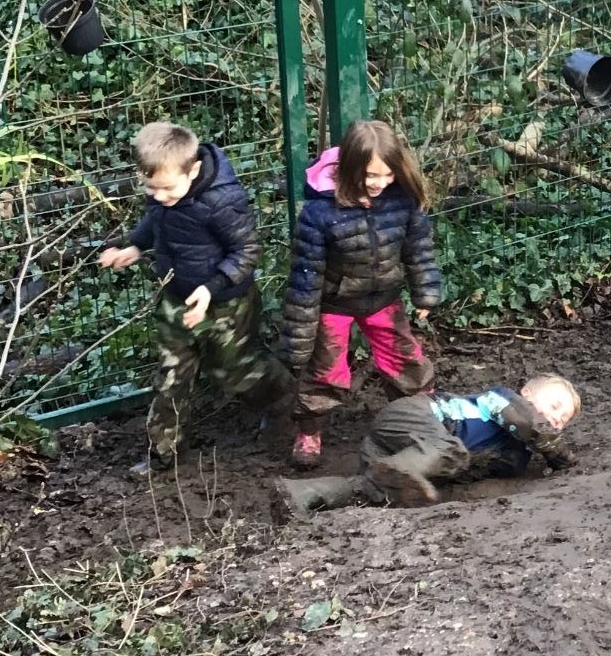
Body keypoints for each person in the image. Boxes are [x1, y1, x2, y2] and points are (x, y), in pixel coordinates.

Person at [99, 122, 289, 475]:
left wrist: (210, 288)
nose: (158, 196)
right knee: (172, 375)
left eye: (167, 189)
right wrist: (135, 247)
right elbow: (156, 221)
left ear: (194, 169)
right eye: (150, 187)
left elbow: (247, 251)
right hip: (176, 297)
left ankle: (281, 400)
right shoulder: (162, 192)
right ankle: (163, 452)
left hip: (226, 302)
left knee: (232, 370)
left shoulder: (222, 201)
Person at [279, 118, 443, 469]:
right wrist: (299, 337)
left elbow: (419, 248)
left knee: (405, 360)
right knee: (325, 369)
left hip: (383, 297)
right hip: (334, 303)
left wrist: (425, 292)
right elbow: (306, 276)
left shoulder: (402, 200)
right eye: (371, 176)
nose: (380, 184)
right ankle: (309, 433)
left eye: (387, 175)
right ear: (351, 167)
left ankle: (421, 418)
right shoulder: (320, 212)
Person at [269, 372, 581, 520]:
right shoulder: (503, 399)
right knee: (451, 451)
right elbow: (525, 423)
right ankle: (400, 470)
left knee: (375, 490)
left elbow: (473, 476)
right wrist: (558, 454)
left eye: (562, 419)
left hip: (399, 451)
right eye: (554, 406)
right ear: (526, 392)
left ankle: (303, 494)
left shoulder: (517, 457)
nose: (554, 418)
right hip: (414, 416)